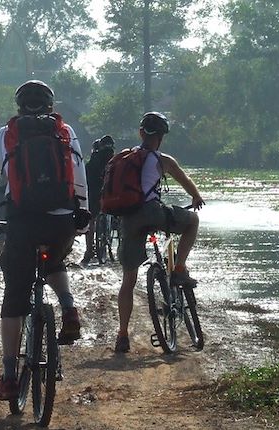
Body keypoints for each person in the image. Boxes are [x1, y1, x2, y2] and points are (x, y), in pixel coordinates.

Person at [0, 80, 89, 400]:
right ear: (51, 105)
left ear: (19, 106)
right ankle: (68, 307)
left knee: (14, 296)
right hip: (61, 221)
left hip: (23, 221)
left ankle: (10, 377)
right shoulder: (65, 131)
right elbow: (79, 176)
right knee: (56, 258)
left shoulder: (6, 133)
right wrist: (82, 216)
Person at [115, 112, 205, 353]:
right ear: (162, 137)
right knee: (192, 221)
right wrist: (196, 197)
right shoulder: (162, 159)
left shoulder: (125, 157)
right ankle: (178, 269)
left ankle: (123, 335)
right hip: (152, 212)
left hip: (129, 218)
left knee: (128, 281)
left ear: (141, 133)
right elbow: (185, 180)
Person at [81, 135, 115, 265]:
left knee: (91, 220)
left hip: (93, 192)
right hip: (110, 192)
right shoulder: (114, 159)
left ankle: (89, 250)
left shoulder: (93, 160)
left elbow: (86, 177)